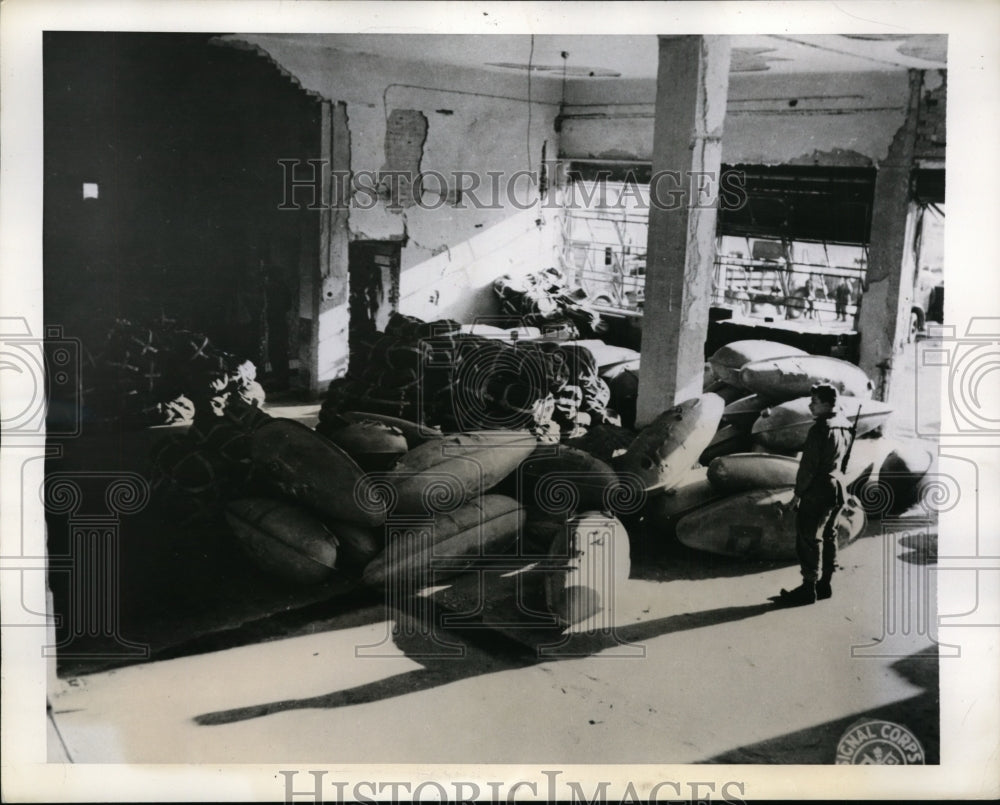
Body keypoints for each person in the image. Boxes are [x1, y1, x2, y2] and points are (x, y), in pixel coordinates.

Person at [776, 383, 853, 606]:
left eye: (815, 402)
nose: (810, 405)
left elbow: (807, 467)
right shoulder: (846, 425)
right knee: (829, 536)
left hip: (818, 490)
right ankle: (825, 584)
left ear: (828, 404)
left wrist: (797, 495)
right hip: (838, 487)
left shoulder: (820, 429)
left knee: (809, 538)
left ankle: (808, 589)